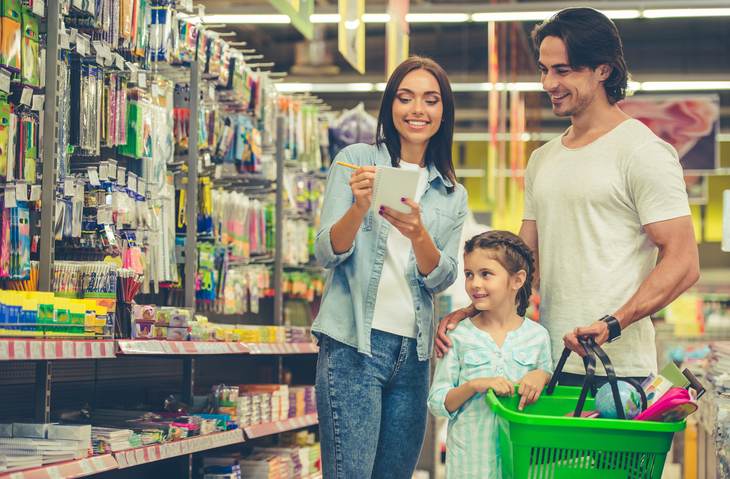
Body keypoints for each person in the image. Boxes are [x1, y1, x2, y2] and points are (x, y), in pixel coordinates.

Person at [435, 7, 699, 388]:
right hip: (547, 366)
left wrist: (614, 323)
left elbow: (685, 261)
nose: (548, 82)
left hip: (616, 372)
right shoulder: (543, 160)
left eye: (563, 70)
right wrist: (476, 310)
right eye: (544, 69)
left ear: (603, 70)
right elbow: (521, 264)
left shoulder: (642, 151)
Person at [313, 56, 467, 478]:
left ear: (443, 112)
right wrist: (360, 207)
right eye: (406, 97)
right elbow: (327, 252)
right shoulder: (357, 159)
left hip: (414, 355)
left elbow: (443, 276)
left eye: (430, 100)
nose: (418, 109)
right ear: (390, 105)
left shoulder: (452, 193)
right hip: (353, 347)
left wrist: (419, 234)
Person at [428, 231, 552, 478]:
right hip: (470, 466)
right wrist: (475, 385)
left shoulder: (537, 336)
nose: (475, 283)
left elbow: (546, 384)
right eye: (469, 274)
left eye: (486, 274)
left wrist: (542, 375)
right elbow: (437, 402)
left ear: (517, 280)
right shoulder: (458, 336)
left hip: (521, 465)